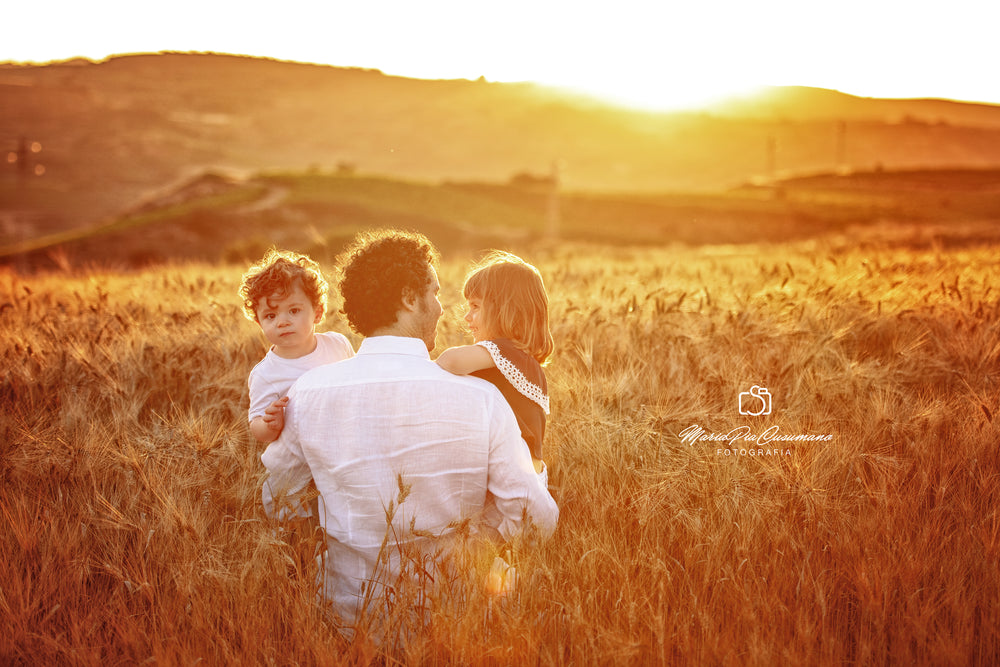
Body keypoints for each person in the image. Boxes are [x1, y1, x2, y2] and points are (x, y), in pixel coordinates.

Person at [260, 229, 558, 633]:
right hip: (454, 623)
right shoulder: (483, 398)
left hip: (343, 624)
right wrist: (477, 546)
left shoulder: (307, 394)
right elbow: (533, 516)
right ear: (409, 298)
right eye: (434, 293)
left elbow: (280, 503)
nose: (441, 308)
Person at [435, 251, 553, 484]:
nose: (467, 317)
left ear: (506, 310)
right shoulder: (516, 359)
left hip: (517, 478)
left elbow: (451, 361)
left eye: (475, 307)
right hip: (519, 472)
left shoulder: (509, 352)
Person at [239, 248, 354, 443]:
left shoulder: (338, 345)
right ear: (259, 322)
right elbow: (257, 427)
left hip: (341, 449)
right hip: (297, 465)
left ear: (318, 312)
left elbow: (359, 385)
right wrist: (269, 424)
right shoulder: (265, 374)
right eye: (270, 316)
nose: (282, 322)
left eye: (293, 311)